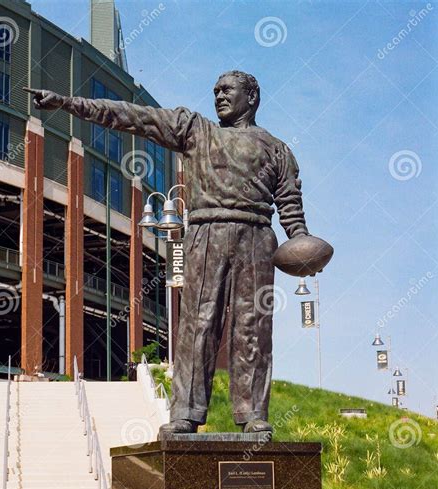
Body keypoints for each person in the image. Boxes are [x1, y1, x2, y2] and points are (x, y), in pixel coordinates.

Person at [24, 70, 309, 435]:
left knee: (252, 327)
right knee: (197, 324)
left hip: (256, 237)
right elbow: (132, 116)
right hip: (206, 232)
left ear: (251, 97)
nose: (218, 95)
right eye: (215, 90)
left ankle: (253, 414)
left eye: (227, 90)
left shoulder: (276, 148)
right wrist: (68, 103)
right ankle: (186, 413)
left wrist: (301, 243)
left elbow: (289, 203)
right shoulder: (195, 130)